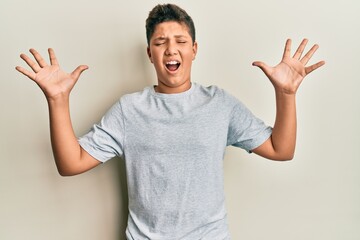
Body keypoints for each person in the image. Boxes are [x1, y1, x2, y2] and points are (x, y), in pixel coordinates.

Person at [15, 3, 325, 240]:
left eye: (180, 40)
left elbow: (280, 149)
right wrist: (58, 101)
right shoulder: (129, 109)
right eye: (160, 42)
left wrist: (286, 94)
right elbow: (71, 163)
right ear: (150, 53)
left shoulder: (220, 104)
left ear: (194, 49)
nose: (170, 48)